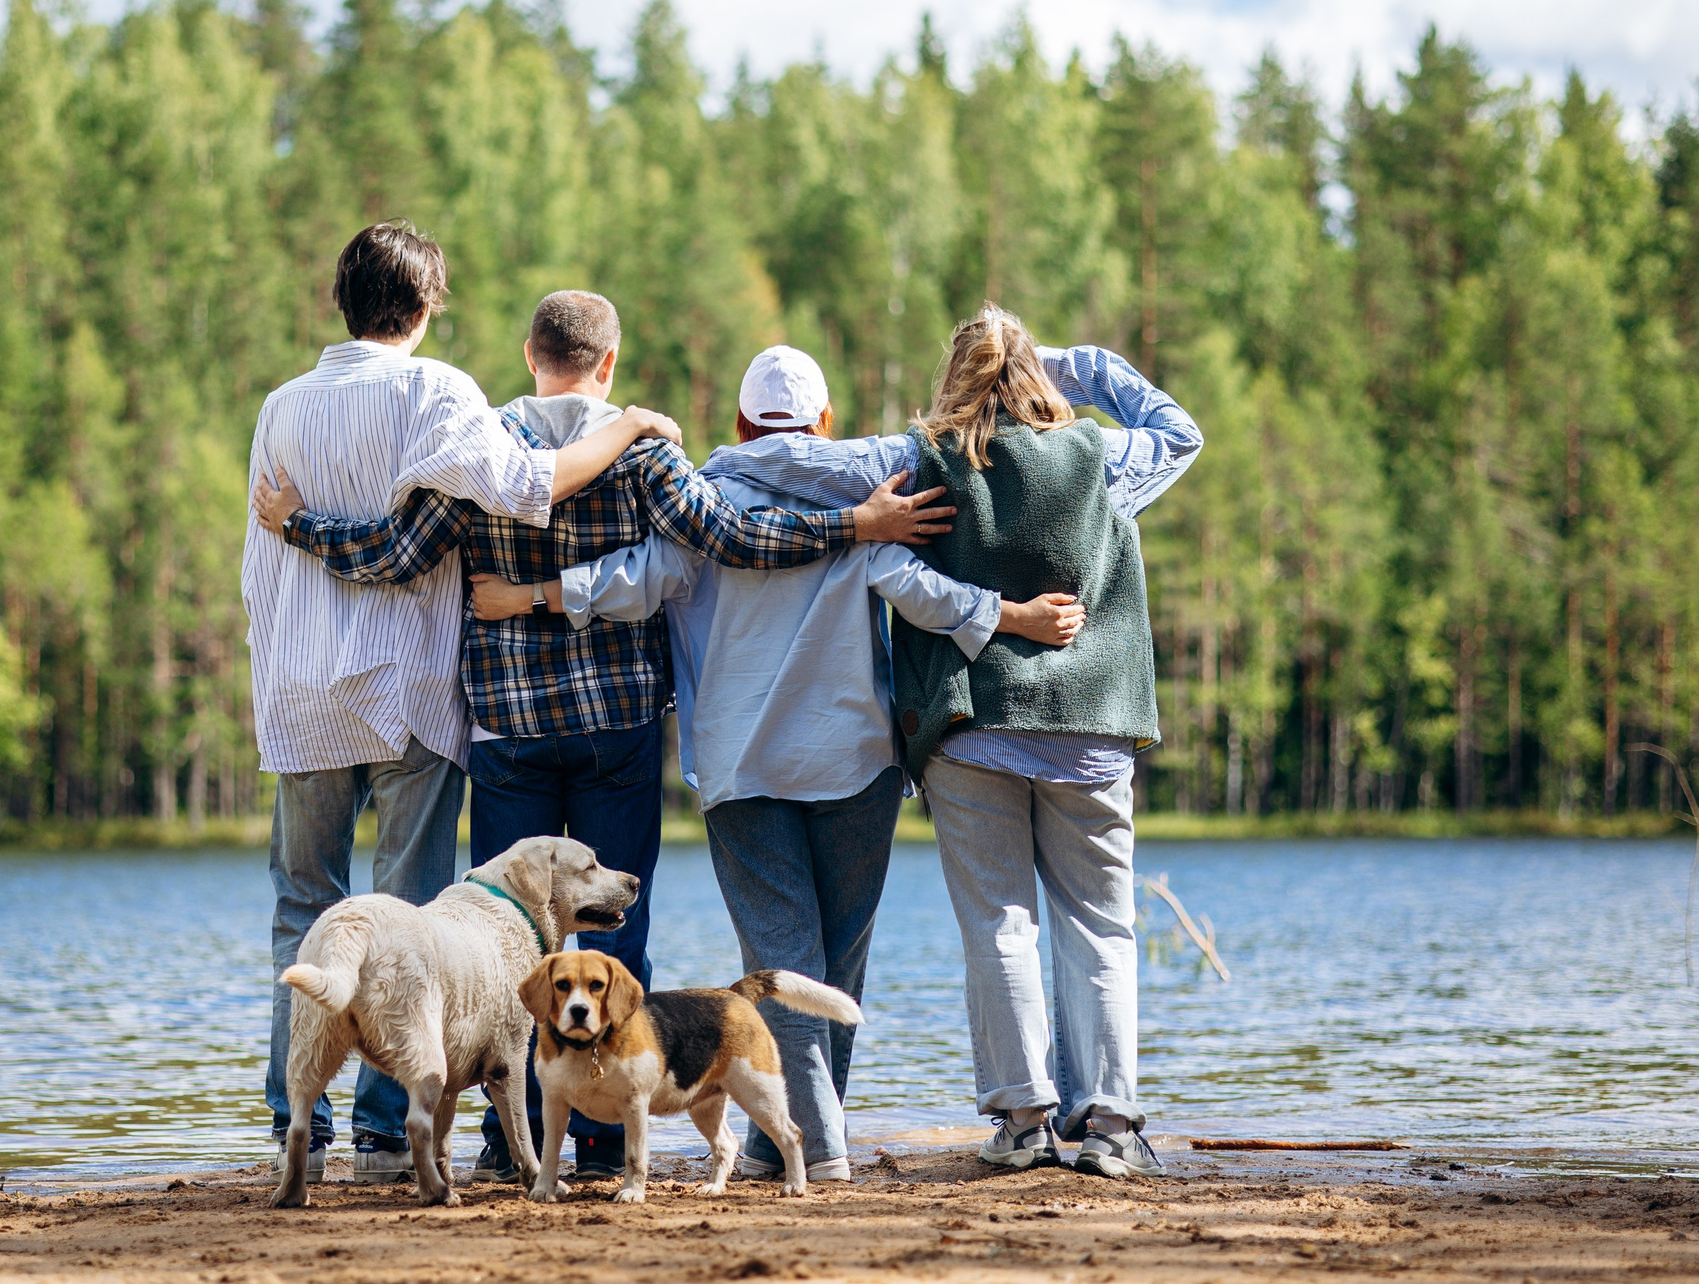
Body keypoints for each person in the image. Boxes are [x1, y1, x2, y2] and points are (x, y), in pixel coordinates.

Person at [252, 291, 949, 1181]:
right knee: (614, 926)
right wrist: (855, 523)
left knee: (509, 940)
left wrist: (296, 522)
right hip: (616, 724)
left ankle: (512, 1141)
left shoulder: (483, 443)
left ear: (530, 354)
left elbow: (393, 553)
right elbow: (730, 537)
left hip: (509, 725)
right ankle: (605, 1134)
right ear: (609, 364)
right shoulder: (644, 449)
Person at [471, 342, 1085, 1185]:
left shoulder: (704, 502)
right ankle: (814, 1137)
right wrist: (1010, 612)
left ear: (739, 422)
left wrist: (530, 595)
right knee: (833, 967)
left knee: (785, 958)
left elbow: (630, 579)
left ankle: (792, 1139)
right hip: (856, 761)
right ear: (825, 421)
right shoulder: (872, 497)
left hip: (742, 767)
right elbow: (921, 587)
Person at [707, 312, 1200, 1179]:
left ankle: (1024, 1120)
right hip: (1091, 727)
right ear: (1039, 376)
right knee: (1102, 925)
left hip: (972, 727)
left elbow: (796, 460)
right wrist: (1077, 367)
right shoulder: (1098, 461)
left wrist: (709, 469)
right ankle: (1113, 1123)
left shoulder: (917, 458)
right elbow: (1178, 431)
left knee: (998, 924)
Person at [240, 227, 677, 1181]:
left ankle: (295, 1122)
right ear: (429, 305)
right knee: (408, 923)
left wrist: (273, 667)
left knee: (300, 908)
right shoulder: (438, 392)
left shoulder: (280, 406)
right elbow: (525, 486)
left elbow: (260, 564)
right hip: (406, 692)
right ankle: (387, 1129)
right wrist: (631, 424)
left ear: (339, 299)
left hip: (304, 691)